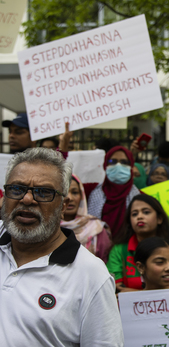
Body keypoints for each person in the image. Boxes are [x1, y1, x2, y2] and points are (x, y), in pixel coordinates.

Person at [0, 147, 123, 346]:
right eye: (17, 189)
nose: (27, 199)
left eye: (44, 192)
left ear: (63, 206)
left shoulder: (90, 275)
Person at [107, 194, 169, 293]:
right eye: (134, 214)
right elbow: (115, 286)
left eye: (146, 212)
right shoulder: (119, 249)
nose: (140, 217)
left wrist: (136, 294)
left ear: (159, 219)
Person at [87, 146, 141, 238]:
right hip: (96, 248)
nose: (118, 165)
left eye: (124, 162)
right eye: (112, 162)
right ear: (105, 165)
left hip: (126, 249)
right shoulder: (90, 190)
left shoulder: (140, 197)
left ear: (131, 166)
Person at [61, 174, 111, 262]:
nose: (70, 198)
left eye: (75, 192)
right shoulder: (47, 229)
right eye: (64, 193)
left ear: (82, 195)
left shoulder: (97, 229)